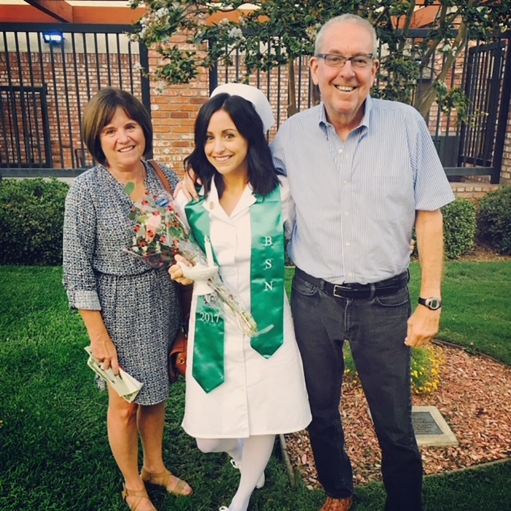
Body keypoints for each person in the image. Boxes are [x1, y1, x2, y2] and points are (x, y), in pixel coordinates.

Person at [269, 14, 456, 511]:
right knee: (320, 411)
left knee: (395, 423)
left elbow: (429, 215)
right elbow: (257, 197)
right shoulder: (290, 136)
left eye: (359, 59)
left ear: (374, 68)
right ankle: (338, 489)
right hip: (313, 298)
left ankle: (404, 504)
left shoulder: (406, 125)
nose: (346, 71)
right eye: (335, 58)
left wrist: (430, 301)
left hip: (385, 300)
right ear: (315, 68)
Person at [168, 83, 311, 511]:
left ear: (250, 136)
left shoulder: (282, 193)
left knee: (266, 415)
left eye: (229, 134)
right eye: (209, 137)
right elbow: (180, 253)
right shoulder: (190, 199)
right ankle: (242, 457)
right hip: (214, 327)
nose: (218, 146)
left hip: (266, 327)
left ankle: (243, 495)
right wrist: (186, 271)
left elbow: (306, 242)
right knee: (209, 437)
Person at [62, 87, 193, 511]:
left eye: (130, 126)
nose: (123, 138)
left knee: (156, 393)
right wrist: (99, 337)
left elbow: (188, 237)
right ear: (96, 140)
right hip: (117, 307)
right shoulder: (86, 191)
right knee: (124, 404)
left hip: (163, 297)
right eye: (110, 130)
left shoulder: (164, 177)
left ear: (143, 129)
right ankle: (133, 485)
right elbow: (77, 267)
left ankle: (154, 467)